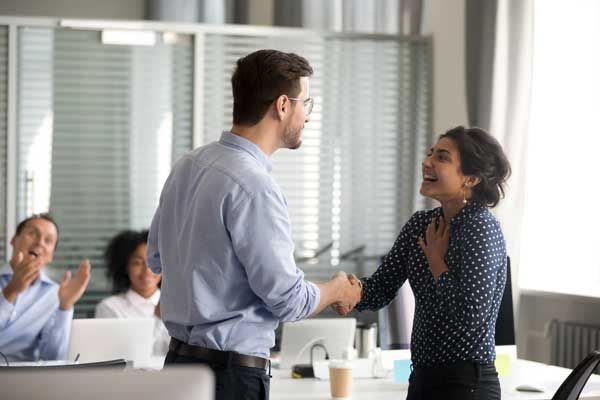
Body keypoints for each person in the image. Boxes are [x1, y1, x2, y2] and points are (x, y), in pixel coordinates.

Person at [147, 49, 360, 400]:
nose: (308, 115)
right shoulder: (255, 186)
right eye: (306, 103)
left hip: (178, 367)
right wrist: (336, 290)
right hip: (229, 378)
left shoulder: (188, 164)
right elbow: (289, 301)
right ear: (282, 105)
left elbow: (156, 260)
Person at [335, 126, 511, 400]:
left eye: (442, 157)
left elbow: (471, 316)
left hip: (467, 385)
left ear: (471, 178)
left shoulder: (481, 227)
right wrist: (348, 291)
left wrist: (437, 263)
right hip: (421, 380)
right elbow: (380, 287)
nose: (427, 162)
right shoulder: (421, 224)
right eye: (431, 153)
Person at [0, 213, 91, 361]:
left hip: (22, 373)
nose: (40, 243)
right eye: (32, 234)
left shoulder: (54, 294)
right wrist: (12, 290)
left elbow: (54, 358)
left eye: (48, 240)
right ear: (13, 239)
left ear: (51, 255)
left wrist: (65, 306)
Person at [95, 229, 169, 356]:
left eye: (153, 262)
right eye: (137, 263)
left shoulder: (177, 304)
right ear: (125, 267)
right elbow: (123, 356)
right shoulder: (110, 308)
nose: (147, 270)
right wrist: (157, 319)